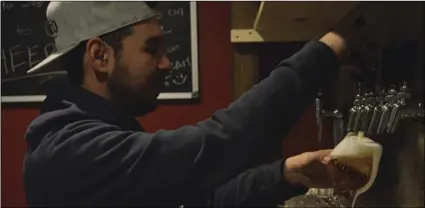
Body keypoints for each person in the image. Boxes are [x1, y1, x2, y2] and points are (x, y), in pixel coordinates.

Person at [23, 1, 376, 207]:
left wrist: (284, 175)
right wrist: (328, 50)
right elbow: (222, 142)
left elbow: (188, 201)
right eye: (152, 49)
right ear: (99, 56)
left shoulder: (87, 134)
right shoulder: (71, 152)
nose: (166, 64)